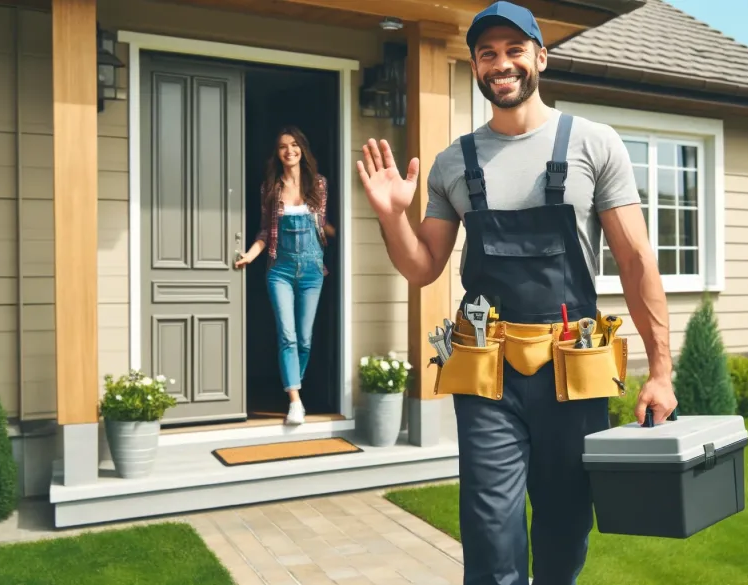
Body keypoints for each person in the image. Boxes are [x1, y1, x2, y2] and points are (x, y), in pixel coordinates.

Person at [355, 2, 677, 583]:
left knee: (564, 527)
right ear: (476, 66)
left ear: (540, 58)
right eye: (487, 54)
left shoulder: (594, 144)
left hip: (573, 367)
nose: (500, 63)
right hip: (486, 371)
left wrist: (660, 369)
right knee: (489, 532)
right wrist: (390, 217)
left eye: (513, 50)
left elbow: (635, 261)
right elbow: (423, 267)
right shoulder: (455, 162)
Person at [236, 126, 336, 426]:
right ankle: (295, 400)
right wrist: (250, 255)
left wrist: (335, 231)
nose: (289, 150)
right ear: (277, 153)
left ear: (302, 150)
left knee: (304, 339)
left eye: (294, 145)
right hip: (279, 268)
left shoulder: (318, 184)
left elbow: (324, 227)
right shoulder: (271, 188)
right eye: (282, 146)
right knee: (287, 336)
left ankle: (294, 382)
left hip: (312, 270)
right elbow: (266, 230)